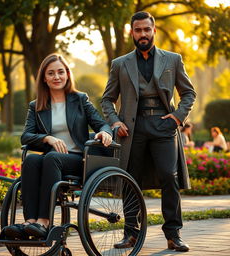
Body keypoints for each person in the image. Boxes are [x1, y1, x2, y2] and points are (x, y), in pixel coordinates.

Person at [101, 11, 196, 252]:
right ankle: (131, 234)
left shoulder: (172, 60)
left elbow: (189, 93)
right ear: (132, 33)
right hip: (132, 129)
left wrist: (176, 117)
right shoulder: (120, 64)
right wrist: (114, 122)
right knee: (131, 179)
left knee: (168, 176)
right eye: (138, 30)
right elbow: (107, 100)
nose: (142, 34)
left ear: (153, 31)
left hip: (164, 125)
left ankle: (173, 234)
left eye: (146, 29)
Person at [4, 53, 112, 240]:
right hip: (51, 159)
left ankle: (44, 222)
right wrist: (48, 138)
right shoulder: (36, 106)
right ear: (44, 78)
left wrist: (105, 132)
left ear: (68, 75)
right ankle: (30, 222)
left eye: (61, 72)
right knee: (31, 160)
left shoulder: (80, 99)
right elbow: (26, 136)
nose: (57, 77)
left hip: (78, 159)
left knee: (52, 158)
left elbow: (101, 123)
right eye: (51, 73)